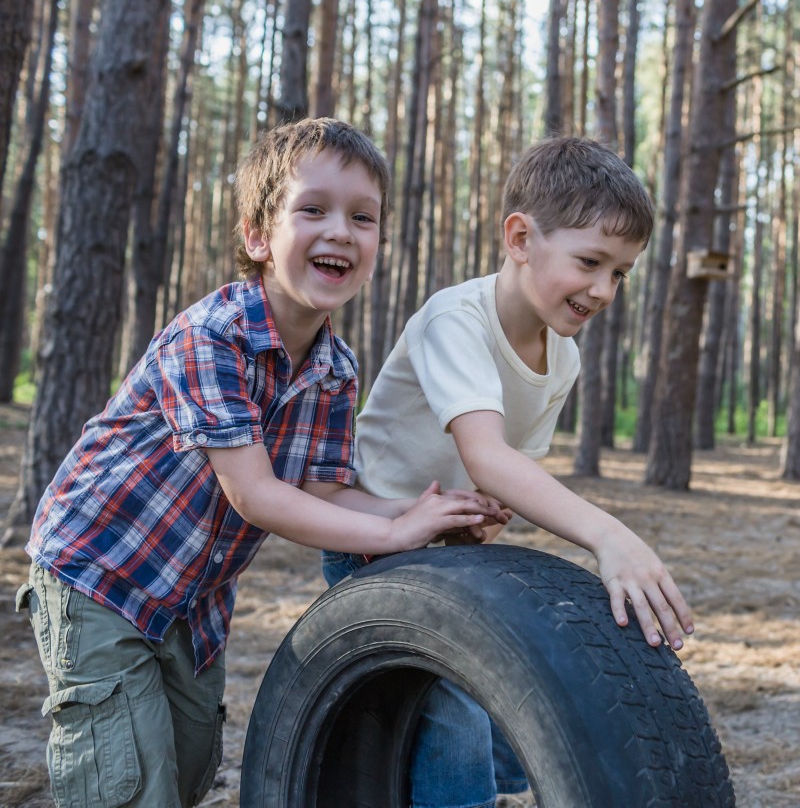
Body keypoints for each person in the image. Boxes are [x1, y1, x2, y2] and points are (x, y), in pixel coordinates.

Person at [16, 118, 504, 808]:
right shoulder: (211, 337)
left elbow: (324, 493)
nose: (340, 230)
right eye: (313, 209)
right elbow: (255, 494)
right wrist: (393, 536)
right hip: (100, 575)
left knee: (186, 768)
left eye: (363, 218)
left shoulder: (336, 368)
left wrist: (423, 514)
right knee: (124, 782)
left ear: (377, 246)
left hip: (191, 601)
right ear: (256, 237)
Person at [323, 135, 695, 808]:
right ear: (520, 238)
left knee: (499, 721)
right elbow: (484, 455)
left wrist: (487, 517)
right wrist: (607, 534)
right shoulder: (455, 319)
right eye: (590, 262)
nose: (604, 290)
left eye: (621, 272)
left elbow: (506, 470)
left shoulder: (565, 358)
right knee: (454, 721)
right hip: (374, 534)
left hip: (444, 544)